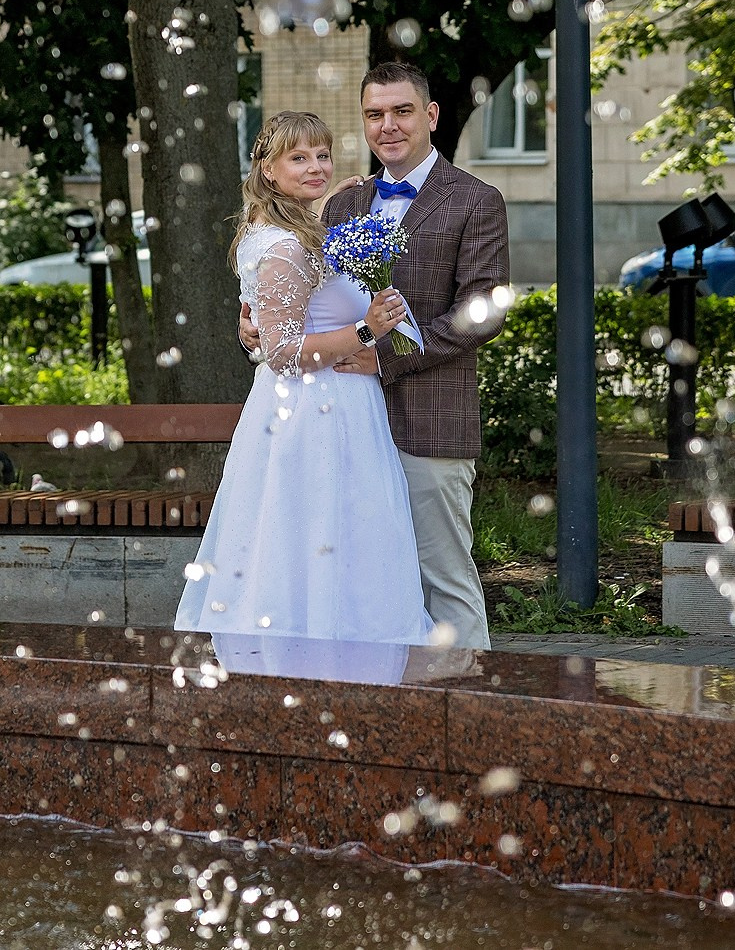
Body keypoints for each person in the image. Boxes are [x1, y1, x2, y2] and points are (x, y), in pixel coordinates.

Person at [241, 62, 511, 649]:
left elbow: (483, 310)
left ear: (431, 116)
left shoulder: (474, 200)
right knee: (365, 580)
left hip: (429, 420)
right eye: (374, 115)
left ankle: (468, 704)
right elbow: (295, 300)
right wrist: (254, 329)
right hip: (340, 429)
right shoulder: (342, 201)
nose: (387, 126)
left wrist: (385, 357)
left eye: (402, 111)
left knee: (444, 575)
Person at [172, 111, 438, 646]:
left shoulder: (295, 230)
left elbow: (272, 322)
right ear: (268, 170)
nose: (315, 167)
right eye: (298, 158)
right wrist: (366, 330)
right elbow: (284, 354)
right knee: (319, 537)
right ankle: (315, 656)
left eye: (321, 155)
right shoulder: (284, 247)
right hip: (317, 416)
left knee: (337, 540)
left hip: (334, 409)